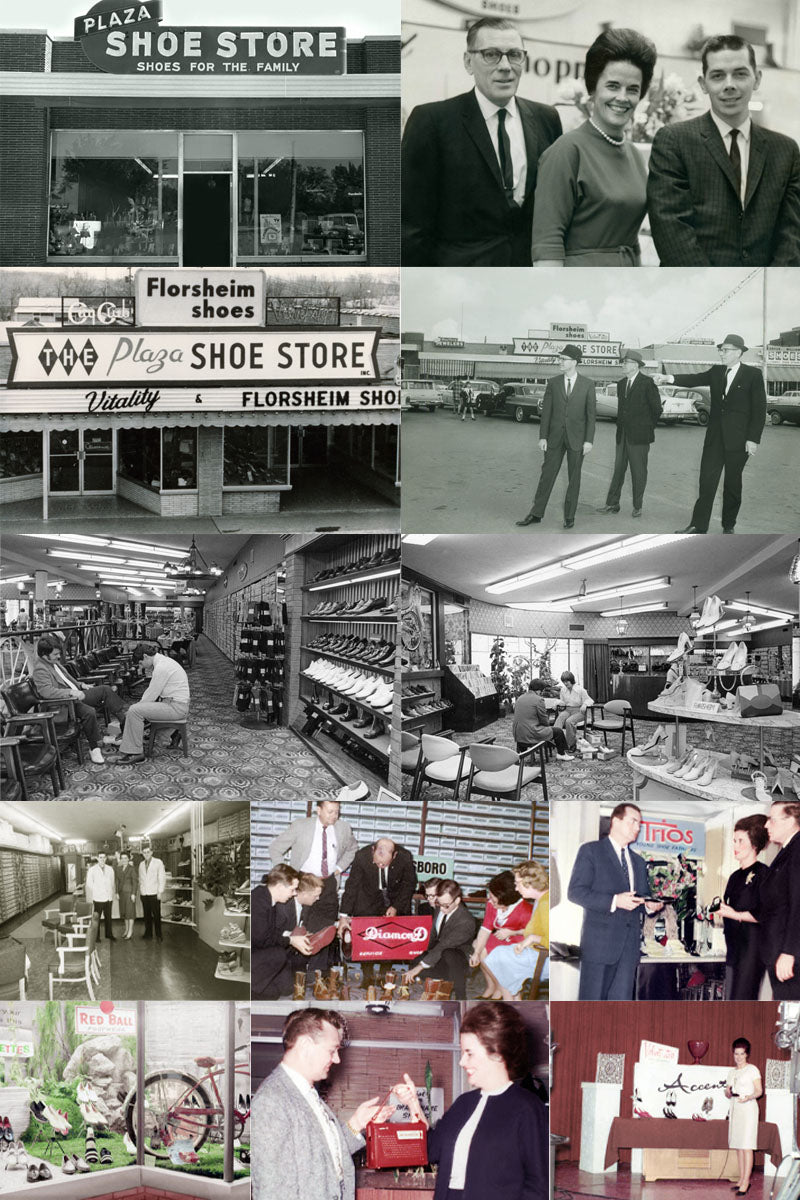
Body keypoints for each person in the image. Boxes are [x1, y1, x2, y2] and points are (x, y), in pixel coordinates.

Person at [401, 17, 562, 266]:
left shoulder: (546, 119)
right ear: (468, 62)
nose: (506, 66)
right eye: (491, 55)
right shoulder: (432, 121)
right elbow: (411, 225)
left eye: (515, 55)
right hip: (459, 284)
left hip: (527, 280)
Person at [647, 34, 800, 267]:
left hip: (764, 296)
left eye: (740, 73)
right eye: (718, 76)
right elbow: (671, 228)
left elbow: (792, 233)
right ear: (703, 84)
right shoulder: (674, 141)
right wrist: (717, 294)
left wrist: (769, 291)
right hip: (696, 294)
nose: (729, 85)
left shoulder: (785, 151)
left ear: (757, 79)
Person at [394, 1003, 548, 1200]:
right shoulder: (463, 1104)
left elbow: (537, 1187)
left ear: (498, 1053)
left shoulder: (527, 1108)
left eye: (469, 1053)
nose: (462, 1062)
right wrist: (413, 1103)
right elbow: (430, 1150)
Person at [531, 28, 657, 266]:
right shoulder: (567, 151)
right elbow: (547, 244)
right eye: (612, 86)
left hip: (625, 285)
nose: (622, 97)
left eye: (632, 89)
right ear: (593, 88)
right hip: (579, 288)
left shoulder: (634, 155)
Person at [251, 1008, 391, 1200]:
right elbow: (274, 1190)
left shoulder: (307, 1094)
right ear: (306, 1045)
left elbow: (326, 1157)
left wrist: (357, 1123)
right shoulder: (272, 1101)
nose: (337, 1059)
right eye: (332, 1050)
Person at [654, 333, 766, 534]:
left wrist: (753, 439)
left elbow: (759, 409)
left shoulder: (753, 375)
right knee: (706, 481)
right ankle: (698, 525)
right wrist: (668, 377)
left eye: (726, 350)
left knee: (732, 484)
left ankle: (728, 525)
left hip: (739, 441)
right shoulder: (716, 371)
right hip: (714, 438)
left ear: (739, 352)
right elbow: (694, 378)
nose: (722, 353)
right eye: (721, 350)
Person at [567, 802, 663, 1000]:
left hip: (628, 950)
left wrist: (650, 906)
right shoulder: (591, 851)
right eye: (633, 821)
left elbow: (643, 896)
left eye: (640, 823)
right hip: (599, 947)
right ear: (615, 821)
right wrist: (614, 901)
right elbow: (575, 892)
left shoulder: (638, 861)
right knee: (591, 1008)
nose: (637, 827)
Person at [516, 345, 596, 529]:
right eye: (560, 359)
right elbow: (546, 413)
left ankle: (569, 516)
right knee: (547, 475)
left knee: (574, 479)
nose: (560, 362)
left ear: (574, 362)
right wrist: (543, 436)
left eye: (564, 359)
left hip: (577, 439)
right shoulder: (553, 383)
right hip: (554, 437)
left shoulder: (588, 384)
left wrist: (588, 440)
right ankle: (536, 513)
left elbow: (591, 415)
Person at [31, 637, 126, 766]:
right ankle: (95, 748)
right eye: (55, 654)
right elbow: (46, 692)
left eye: (59, 653)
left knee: (105, 690)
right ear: (44, 655)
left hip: (77, 695)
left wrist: (80, 685)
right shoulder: (40, 669)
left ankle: (125, 723)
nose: (59, 656)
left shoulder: (53, 662)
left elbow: (67, 679)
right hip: (64, 704)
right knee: (89, 712)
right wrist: (70, 692)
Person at [269, 797, 358, 931]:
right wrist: (287, 876)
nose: (334, 816)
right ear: (319, 810)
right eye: (330, 812)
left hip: (328, 883)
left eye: (337, 812)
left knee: (326, 928)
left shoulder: (343, 828)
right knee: (299, 927)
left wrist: (339, 868)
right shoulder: (300, 826)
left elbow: (353, 849)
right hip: (303, 882)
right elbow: (275, 848)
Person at [597, 350, 663, 518]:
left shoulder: (647, 383)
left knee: (638, 471)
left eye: (626, 363)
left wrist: (647, 428)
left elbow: (657, 409)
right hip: (622, 435)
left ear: (635, 365)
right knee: (618, 470)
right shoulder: (621, 384)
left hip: (640, 437)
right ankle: (612, 504)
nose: (623, 365)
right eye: (623, 362)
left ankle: (637, 506)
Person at [717, 813, 769, 1000]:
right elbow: (729, 908)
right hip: (733, 947)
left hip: (752, 950)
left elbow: (764, 913)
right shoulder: (734, 877)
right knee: (730, 997)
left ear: (754, 844)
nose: (735, 846)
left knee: (743, 998)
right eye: (734, 841)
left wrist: (735, 914)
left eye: (740, 841)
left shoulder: (764, 874)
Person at [483, 861, 549, 1001]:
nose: (516, 889)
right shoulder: (541, 900)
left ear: (529, 883)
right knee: (498, 956)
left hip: (544, 959)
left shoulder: (545, 904)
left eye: (518, 883)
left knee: (501, 961)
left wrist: (531, 939)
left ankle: (513, 1001)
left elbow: (554, 941)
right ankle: (515, 999)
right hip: (536, 952)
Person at [112, 643, 190, 764]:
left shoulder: (161, 667)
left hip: (176, 707)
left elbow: (151, 694)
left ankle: (135, 753)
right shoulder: (164, 661)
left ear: (145, 656)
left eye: (141, 663)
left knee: (134, 711)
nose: (141, 666)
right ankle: (174, 733)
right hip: (176, 704)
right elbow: (152, 694)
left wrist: (136, 707)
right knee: (137, 709)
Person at [404, 879, 477, 998]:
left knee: (449, 954)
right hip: (441, 954)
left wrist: (420, 967)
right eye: (439, 903)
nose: (441, 909)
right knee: (415, 963)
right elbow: (433, 937)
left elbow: (445, 944)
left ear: (457, 900)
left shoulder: (466, 921)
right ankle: (444, 983)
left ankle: (460, 995)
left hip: (459, 959)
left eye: (446, 906)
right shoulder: (441, 906)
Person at [758, 800, 800, 999]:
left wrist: (789, 952)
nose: (766, 825)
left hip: (789, 954)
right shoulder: (787, 849)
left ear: (791, 820)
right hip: (778, 949)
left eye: (772, 820)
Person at [252, 865, 313, 1000]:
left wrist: (293, 937)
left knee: (280, 991)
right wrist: (291, 940)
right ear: (280, 887)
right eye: (292, 889)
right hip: (252, 956)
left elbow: (271, 932)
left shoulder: (267, 898)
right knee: (279, 954)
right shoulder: (258, 901)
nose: (295, 894)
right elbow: (263, 940)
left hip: (259, 952)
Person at [470, 871, 532, 997]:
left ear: (506, 900)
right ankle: (492, 986)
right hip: (501, 938)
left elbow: (534, 932)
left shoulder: (526, 911)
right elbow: (486, 928)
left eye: (493, 898)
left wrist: (513, 931)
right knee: (478, 947)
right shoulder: (492, 904)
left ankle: (500, 988)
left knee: (498, 958)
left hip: (519, 941)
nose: (489, 900)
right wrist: (476, 953)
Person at [724, 1037, 763, 1196]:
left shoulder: (752, 1069)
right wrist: (727, 1092)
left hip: (748, 1109)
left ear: (747, 1054)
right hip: (735, 1109)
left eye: (741, 1054)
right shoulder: (732, 1072)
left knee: (747, 1146)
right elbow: (728, 1092)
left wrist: (748, 1097)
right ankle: (741, 1178)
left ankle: (746, 1182)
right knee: (739, 1145)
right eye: (736, 1054)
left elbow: (759, 1091)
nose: (738, 1057)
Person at [512, 678, 572, 760]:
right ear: (539, 690)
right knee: (558, 731)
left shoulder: (520, 698)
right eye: (542, 691)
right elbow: (544, 720)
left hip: (518, 733)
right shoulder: (538, 700)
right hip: (531, 732)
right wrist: (547, 727)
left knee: (527, 727)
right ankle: (561, 754)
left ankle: (521, 753)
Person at [554, 672, 593, 753]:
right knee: (560, 718)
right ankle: (555, 740)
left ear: (571, 680)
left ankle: (572, 744)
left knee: (569, 721)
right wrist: (558, 703)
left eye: (567, 681)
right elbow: (563, 701)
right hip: (567, 710)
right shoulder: (563, 690)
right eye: (563, 681)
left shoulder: (580, 690)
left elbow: (589, 700)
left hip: (579, 711)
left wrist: (585, 704)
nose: (565, 683)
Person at [85, 852, 116, 942]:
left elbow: (112, 882)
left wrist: (110, 893)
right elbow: (89, 884)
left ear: (106, 858)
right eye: (100, 857)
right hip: (98, 898)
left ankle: (109, 934)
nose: (102, 859)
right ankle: (96, 936)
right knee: (97, 918)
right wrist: (98, 889)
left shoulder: (110, 869)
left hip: (108, 898)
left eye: (104, 857)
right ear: (97, 858)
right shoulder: (92, 870)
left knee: (108, 918)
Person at [138, 845, 166, 942]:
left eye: (148, 852)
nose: (146, 854)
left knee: (156, 915)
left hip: (154, 893)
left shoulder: (158, 862)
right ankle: (148, 933)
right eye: (144, 852)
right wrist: (141, 890)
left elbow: (161, 878)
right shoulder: (141, 864)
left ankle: (159, 935)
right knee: (147, 915)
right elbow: (141, 879)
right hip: (144, 894)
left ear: (151, 852)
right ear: (142, 853)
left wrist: (160, 892)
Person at [115, 851, 138, 940]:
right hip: (121, 893)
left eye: (125, 858)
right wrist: (116, 892)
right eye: (122, 858)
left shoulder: (132, 868)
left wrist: (133, 894)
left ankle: (130, 931)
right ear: (120, 859)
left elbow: (135, 882)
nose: (124, 860)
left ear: (129, 859)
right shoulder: (119, 868)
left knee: (130, 913)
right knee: (124, 913)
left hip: (129, 893)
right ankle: (126, 929)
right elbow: (117, 881)